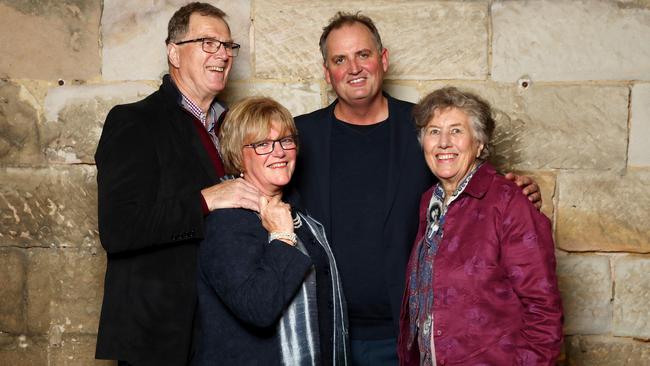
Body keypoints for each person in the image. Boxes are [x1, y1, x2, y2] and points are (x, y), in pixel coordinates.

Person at [292, 12, 542, 365]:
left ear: (383, 59)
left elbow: (469, 183)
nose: (354, 68)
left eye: (363, 55)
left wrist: (515, 189)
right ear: (327, 71)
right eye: (339, 59)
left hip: (407, 336)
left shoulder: (424, 128)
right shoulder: (302, 136)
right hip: (327, 335)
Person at [94, 3, 260, 365]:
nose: (222, 54)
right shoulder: (134, 122)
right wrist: (205, 200)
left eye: (228, 46)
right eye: (207, 42)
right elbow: (119, 229)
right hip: (161, 338)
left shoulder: (233, 125)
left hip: (226, 331)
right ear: (173, 51)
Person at [398, 87, 563, 365]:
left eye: (457, 131)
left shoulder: (509, 202)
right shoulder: (430, 202)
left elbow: (543, 311)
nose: (444, 143)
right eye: (434, 131)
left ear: (480, 143)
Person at [196, 97, 349, 365]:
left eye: (286, 140)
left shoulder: (301, 216)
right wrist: (281, 237)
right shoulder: (228, 222)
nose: (279, 152)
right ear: (238, 156)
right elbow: (258, 308)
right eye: (262, 144)